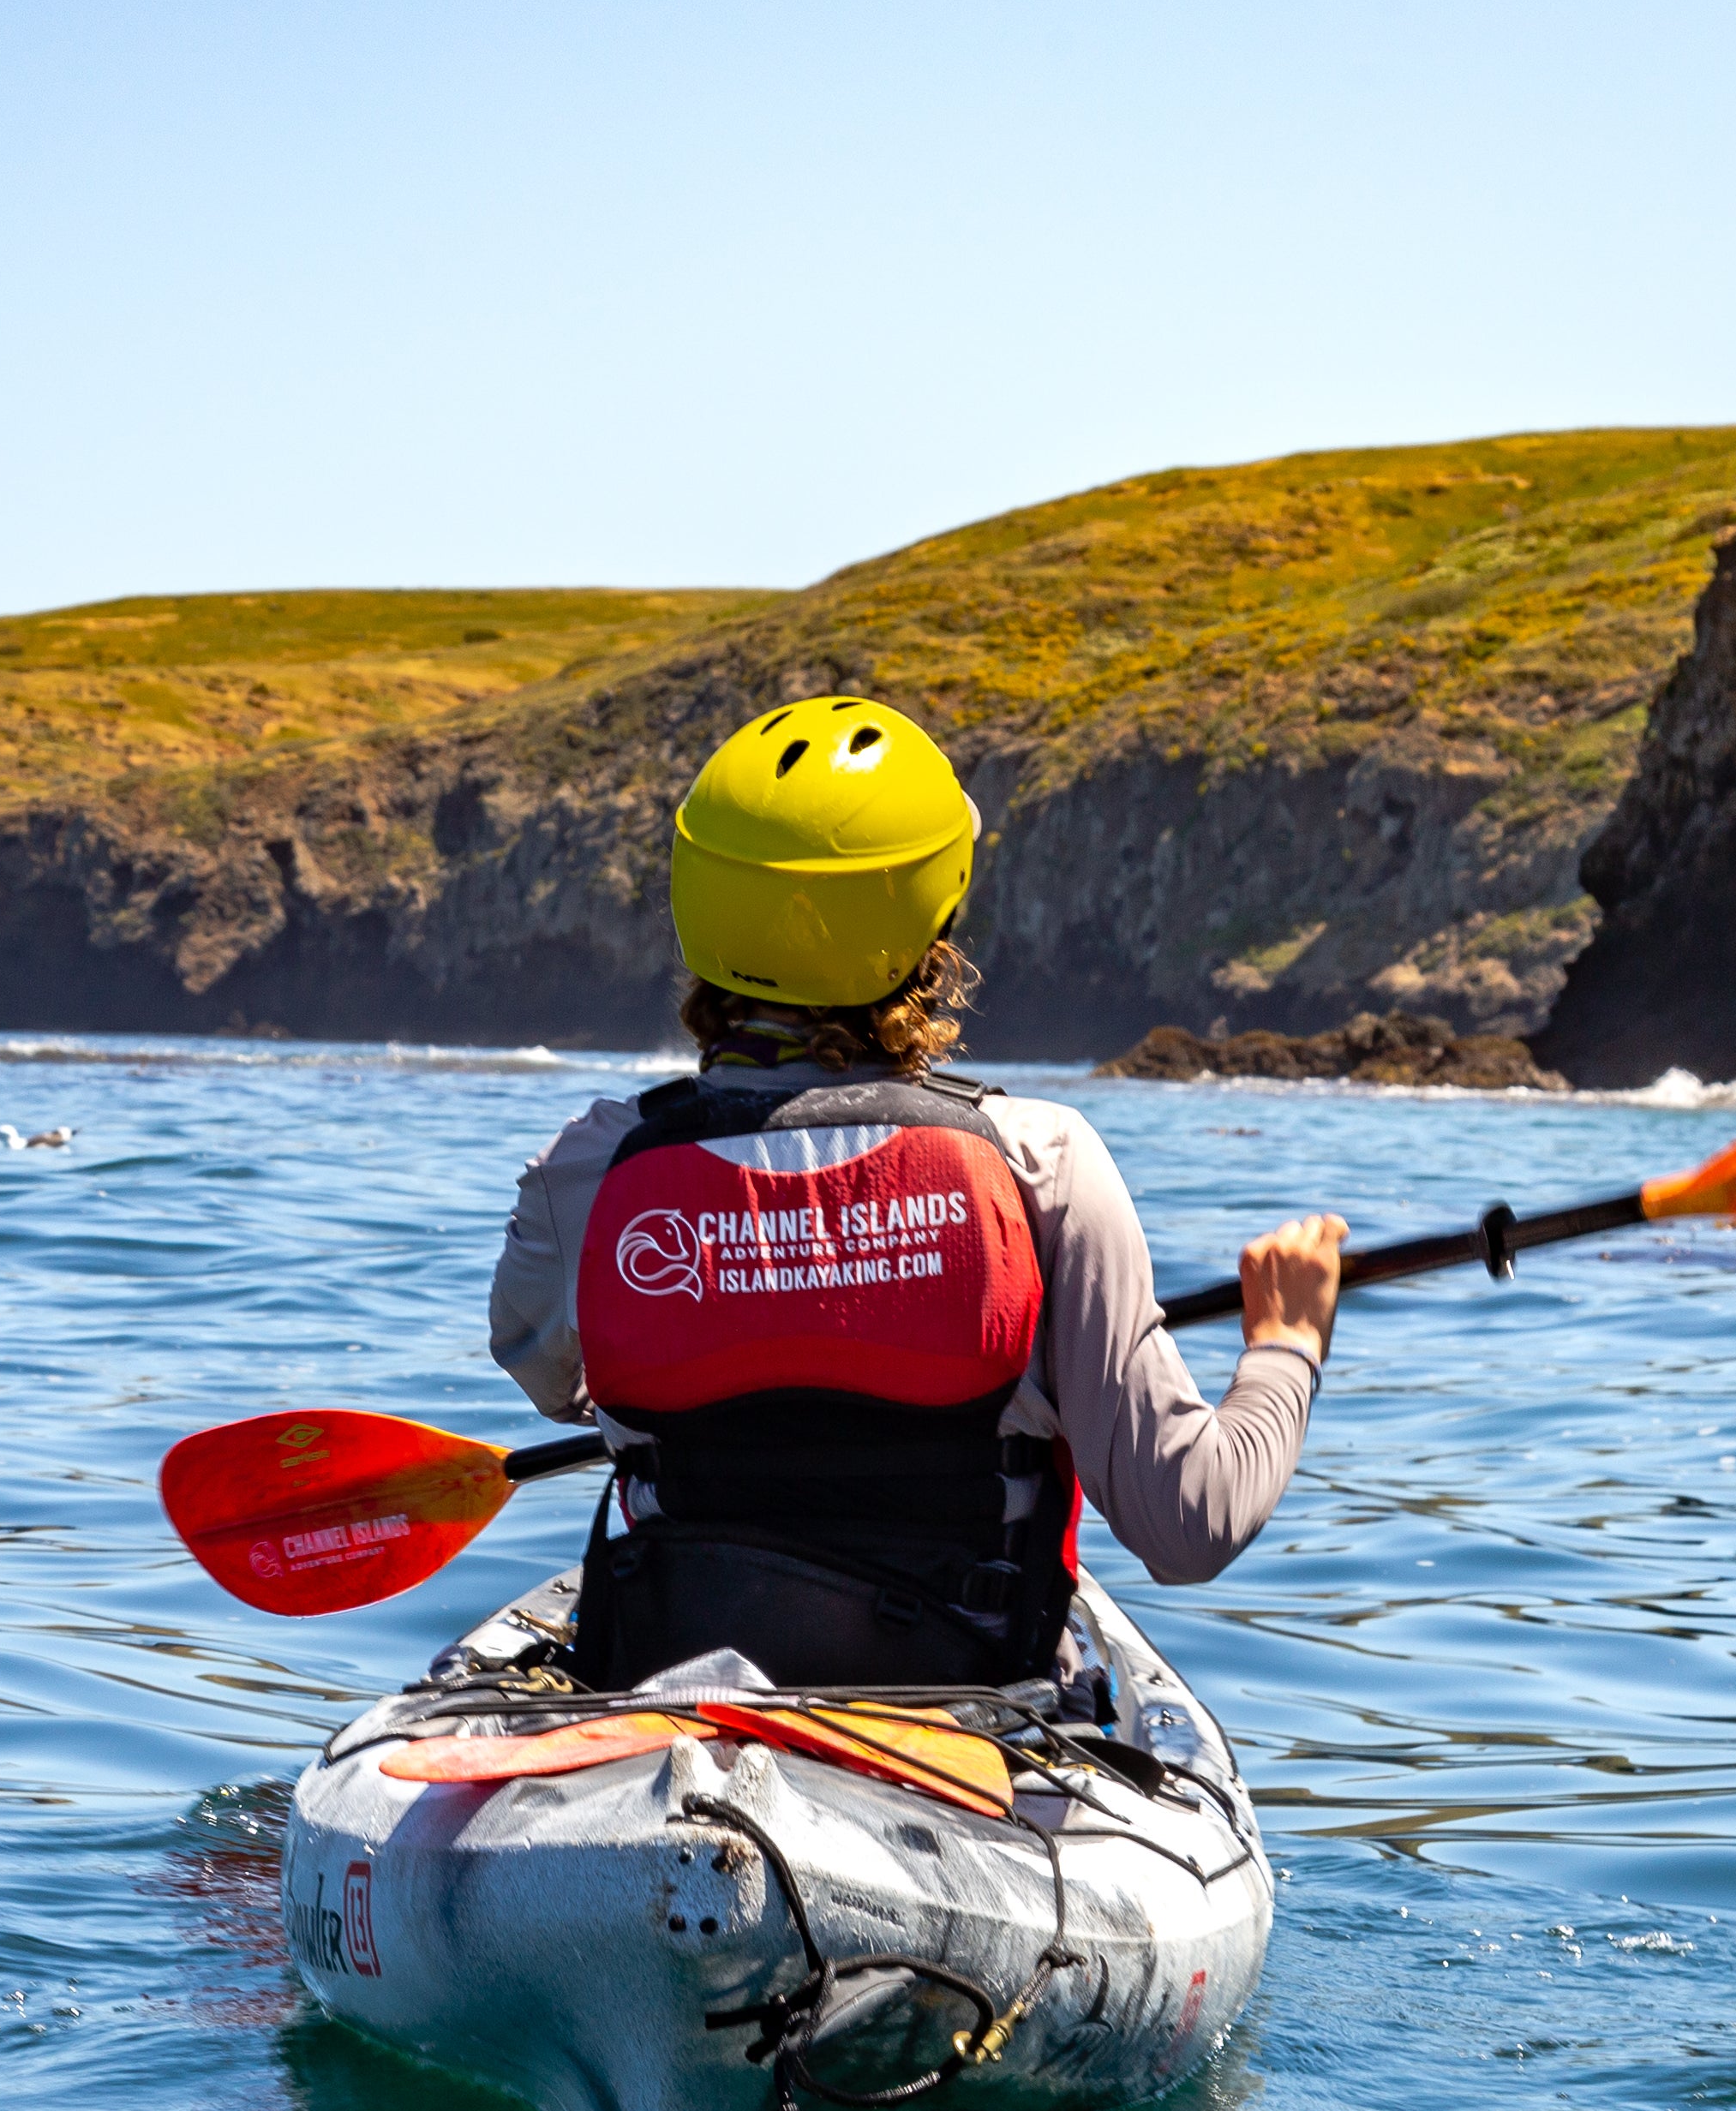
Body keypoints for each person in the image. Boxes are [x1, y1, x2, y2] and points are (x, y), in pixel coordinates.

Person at [487, 694, 1347, 1691]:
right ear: (929, 935)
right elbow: (1188, 1524)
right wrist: (1284, 1342)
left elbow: (560, 1386)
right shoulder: (1042, 1164)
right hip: (962, 1711)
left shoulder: (589, 1169)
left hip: (669, 1681)